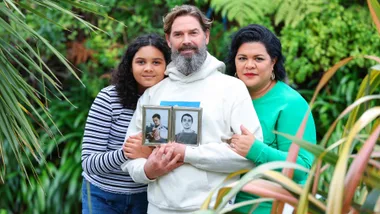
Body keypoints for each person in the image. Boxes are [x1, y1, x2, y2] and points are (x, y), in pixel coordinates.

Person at [121, 5, 263, 214]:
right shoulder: (154, 93)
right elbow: (131, 155)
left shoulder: (231, 89)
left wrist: (186, 153)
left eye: (193, 33)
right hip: (158, 208)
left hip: (213, 208)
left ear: (206, 36)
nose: (186, 40)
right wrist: (148, 170)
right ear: (169, 41)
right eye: (178, 34)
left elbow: (250, 155)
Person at [225, 24, 317, 213]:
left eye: (258, 59)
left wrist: (255, 150)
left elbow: (302, 168)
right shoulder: (225, 97)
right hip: (222, 204)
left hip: (270, 207)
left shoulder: (290, 104)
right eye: (242, 58)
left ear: (273, 62)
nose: (249, 65)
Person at [81, 33, 171, 214]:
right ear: (130, 65)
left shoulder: (170, 102)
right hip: (102, 196)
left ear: (167, 66)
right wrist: (127, 153)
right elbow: (89, 163)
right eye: (140, 62)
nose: (148, 68)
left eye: (156, 62)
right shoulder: (109, 99)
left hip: (145, 196)